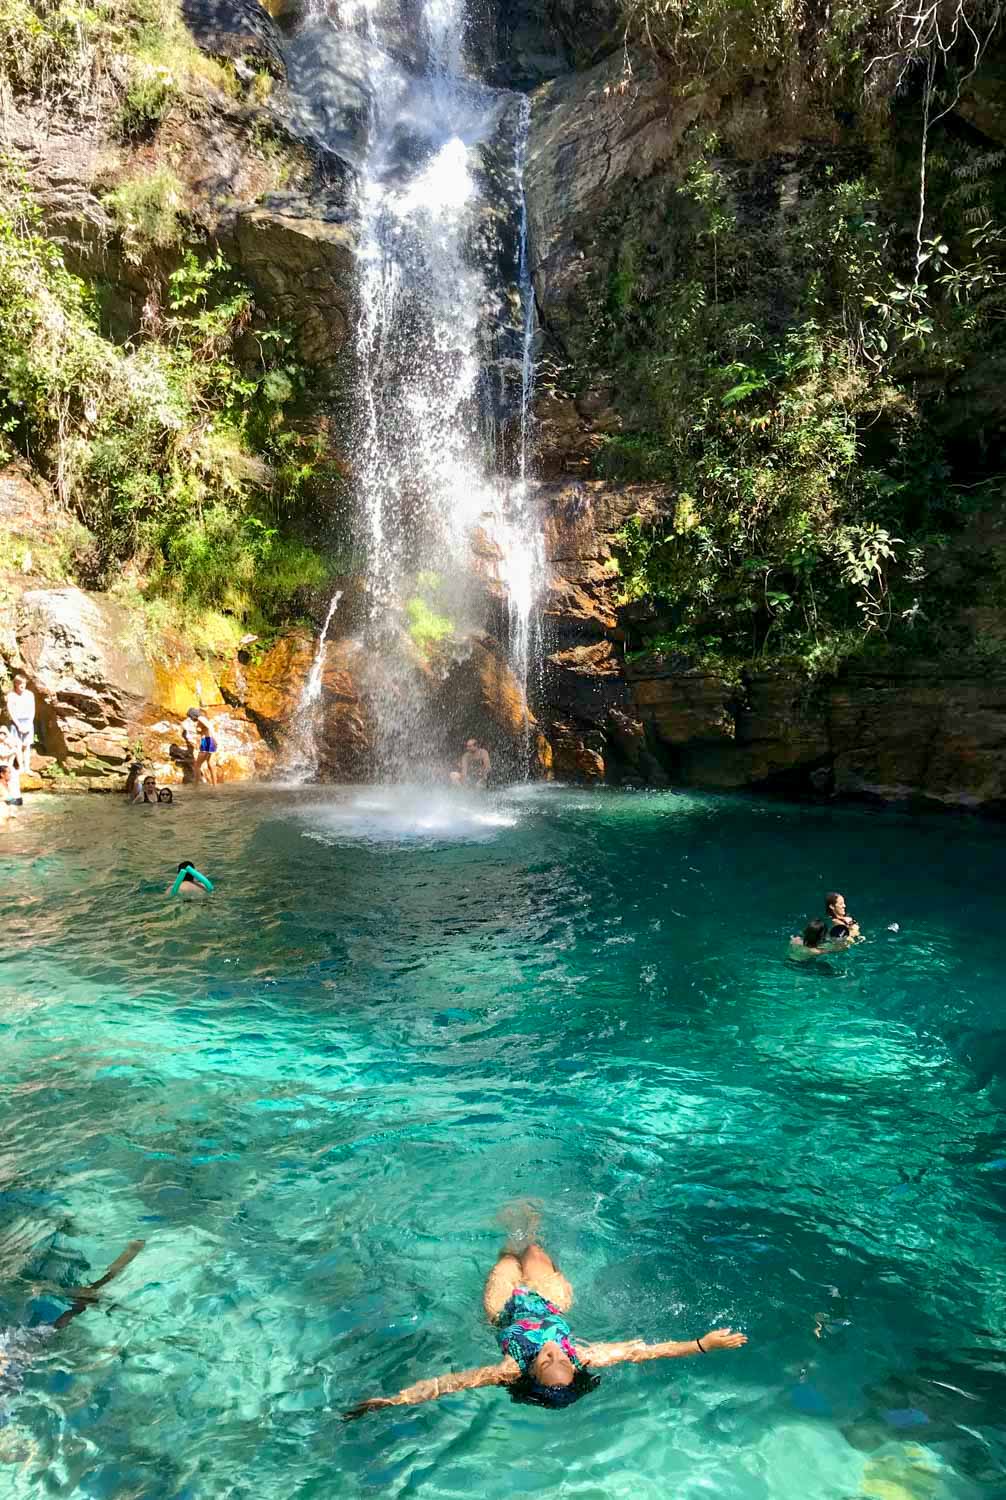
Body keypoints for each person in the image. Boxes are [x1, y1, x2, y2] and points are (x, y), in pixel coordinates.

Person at [344, 1224, 747, 1418]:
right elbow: (643, 1352)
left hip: (504, 1310)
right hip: (551, 1303)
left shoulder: (508, 1369)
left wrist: (393, 1400)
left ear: (531, 1375)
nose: (555, 1354)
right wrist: (701, 1345)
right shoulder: (586, 1357)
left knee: (507, 1259)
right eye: (562, 1363)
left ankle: (510, 1232)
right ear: (574, 1369)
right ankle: (528, 1219)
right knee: (533, 1249)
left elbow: (445, 1385)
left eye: (546, 1362)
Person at [0, 1241, 144, 1408]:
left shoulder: (17, 1359)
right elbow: (57, 1325)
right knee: (88, 1292)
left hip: (34, 1324)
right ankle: (123, 1261)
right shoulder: (19, 1357)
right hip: (42, 1325)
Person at [5, 673, 35, 774]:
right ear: (16, 684)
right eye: (20, 684)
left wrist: (29, 723)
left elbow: (32, 710)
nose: (23, 685)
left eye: (24, 683)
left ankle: (27, 768)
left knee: (27, 746)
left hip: (28, 721)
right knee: (18, 745)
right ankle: (21, 767)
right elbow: (11, 712)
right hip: (16, 722)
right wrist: (19, 725)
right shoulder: (11, 695)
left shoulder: (30, 694)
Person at [183, 707, 218, 787]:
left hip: (206, 741)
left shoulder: (201, 718)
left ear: (193, 715)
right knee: (210, 764)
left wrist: (215, 739)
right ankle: (215, 786)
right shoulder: (202, 718)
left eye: (190, 717)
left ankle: (196, 786)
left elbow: (210, 727)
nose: (191, 719)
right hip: (210, 741)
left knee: (197, 765)